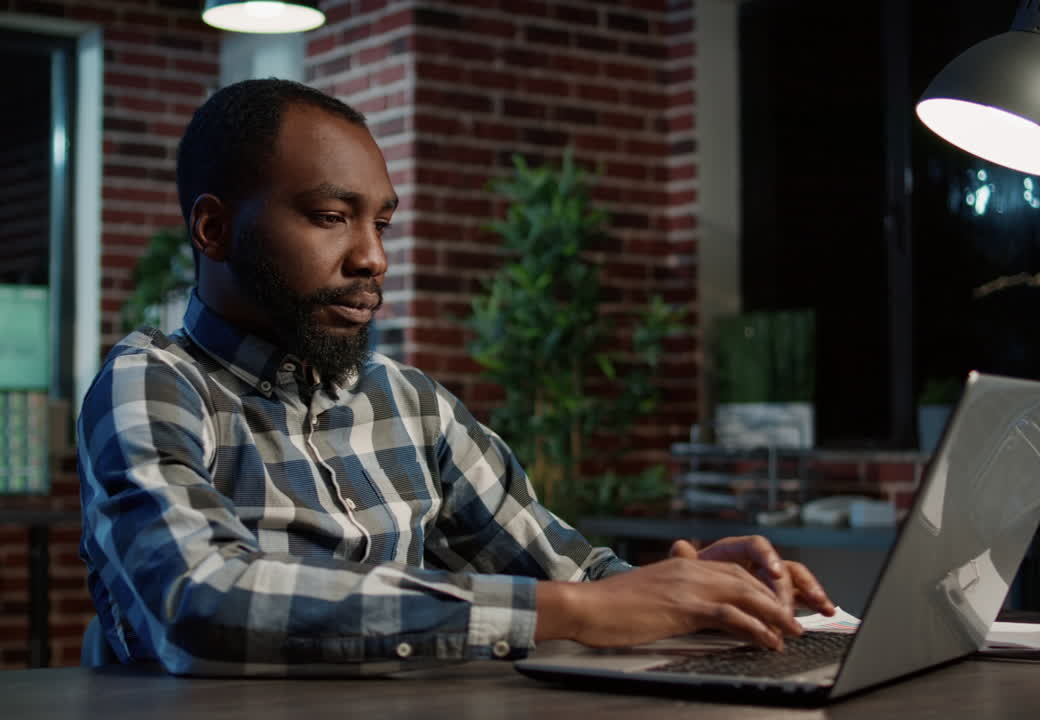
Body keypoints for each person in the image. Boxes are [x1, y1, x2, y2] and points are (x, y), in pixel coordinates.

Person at [77, 78, 834, 676]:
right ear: (212, 228)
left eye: (382, 223)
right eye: (331, 216)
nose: (373, 258)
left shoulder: (411, 404)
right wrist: (569, 611)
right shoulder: (154, 382)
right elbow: (199, 602)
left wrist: (693, 591)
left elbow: (570, 576)